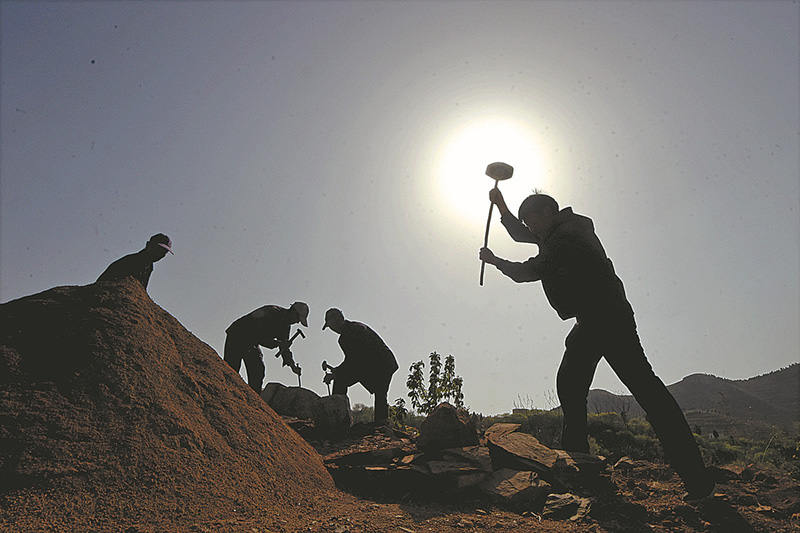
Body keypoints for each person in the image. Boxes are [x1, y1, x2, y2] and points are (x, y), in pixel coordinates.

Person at [479, 189, 715, 502]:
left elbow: (532, 270)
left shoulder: (568, 237)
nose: (532, 228)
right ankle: (581, 470)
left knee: (647, 393)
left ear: (551, 212)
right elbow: (524, 235)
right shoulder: (555, 230)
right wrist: (502, 207)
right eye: (529, 223)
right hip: (591, 322)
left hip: (608, 320)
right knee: (571, 384)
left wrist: (496, 261)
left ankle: (697, 481)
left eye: (535, 220)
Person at [322, 308, 399, 423]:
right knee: (341, 380)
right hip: (368, 364)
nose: (332, 329)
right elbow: (352, 360)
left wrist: (336, 373)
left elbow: (355, 359)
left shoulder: (356, 330)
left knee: (380, 392)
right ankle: (338, 418)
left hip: (383, 363)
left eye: (331, 325)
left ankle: (381, 425)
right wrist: (337, 372)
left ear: (338, 320)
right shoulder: (345, 337)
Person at [224, 302, 309, 394]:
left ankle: (253, 401)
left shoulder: (286, 326)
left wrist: (292, 365)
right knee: (231, 370)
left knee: (258, 370)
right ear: (293, 312)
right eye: (298, 319)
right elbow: (259, 335)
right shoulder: (273, 312)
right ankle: (224, 393)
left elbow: (284, 347)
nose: (297, 322)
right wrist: (277, 343)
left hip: (251, 342)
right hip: (237, 335)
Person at [96, 233, 173, 291]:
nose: (160, 255)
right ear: (148, 245)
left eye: (164, 253)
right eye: (158, 250)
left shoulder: (149, 266)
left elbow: (140, 291)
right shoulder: (131, 261)